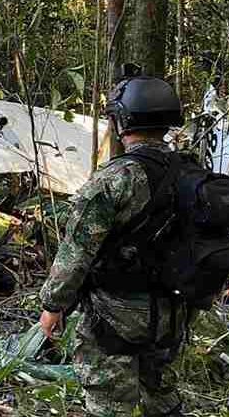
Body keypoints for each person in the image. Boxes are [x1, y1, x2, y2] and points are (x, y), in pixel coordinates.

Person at [37, 75, 189, 417]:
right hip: (173, 312)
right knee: (163, 396)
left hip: (115, 315)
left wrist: (53, 305)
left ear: (122, 121)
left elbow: (76, 252)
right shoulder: (190, 173)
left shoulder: (115, 178)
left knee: (109, 403)